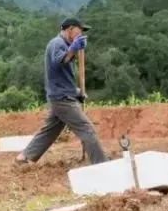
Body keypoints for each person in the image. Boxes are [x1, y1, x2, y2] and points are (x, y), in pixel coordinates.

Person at [17, 18, 108, 165]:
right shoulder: (57, 43)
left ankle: (24, 157)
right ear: (70, 29)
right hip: (62, 98)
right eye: (80, 30)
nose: (81, 34)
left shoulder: (64, 45)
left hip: (61, 94)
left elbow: (62, 76)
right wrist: (73, 48)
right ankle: (101, 164)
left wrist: (77, 91)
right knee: (86, 129)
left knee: (50, 130)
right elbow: (60, 61)